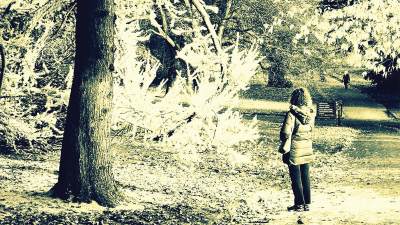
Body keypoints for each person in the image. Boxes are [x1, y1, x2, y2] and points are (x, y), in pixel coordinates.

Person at [279, 87, 316, 212]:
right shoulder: (311, 113)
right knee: (305, 176)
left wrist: (282, 138)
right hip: (307, 148)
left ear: (294, 98)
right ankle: (307, 203)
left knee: (296, 178)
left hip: (294, 149)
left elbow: (285, 133)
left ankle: (299, 204)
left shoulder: (291, 114)